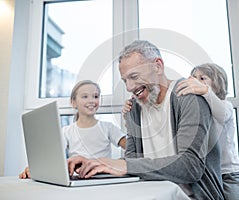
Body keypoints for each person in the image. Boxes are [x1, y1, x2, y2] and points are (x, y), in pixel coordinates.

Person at [67, 40, 225, 200]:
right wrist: (94, 163)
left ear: (157, 66)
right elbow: (132, 162)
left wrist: (123, 165)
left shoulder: (188, 96)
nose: (129, 87)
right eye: (125, 80)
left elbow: (190, 166)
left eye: (134, 77)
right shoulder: (134, 108)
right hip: (151, 194)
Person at [19, 80, 126, 179]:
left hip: (103, 177)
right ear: (73, 102)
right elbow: (52, 157)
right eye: (85, 96)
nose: (92, 100)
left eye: (95, 96)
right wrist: (36, 169)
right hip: (77, 178)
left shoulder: (108, 127)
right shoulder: (66, 131)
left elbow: (132, 148)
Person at [175, 63, 239, 200]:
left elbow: (222, 114)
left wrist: (204, 91)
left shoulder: (225, 105)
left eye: (202, 78)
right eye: (194, 77)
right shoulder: (196, 109)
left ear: (217, 84)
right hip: (208, 175)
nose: (196, 81)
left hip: (229, 174)